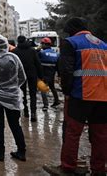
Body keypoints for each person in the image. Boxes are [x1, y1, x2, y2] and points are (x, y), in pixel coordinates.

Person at [43, 18, 107, 176]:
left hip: (80, 95)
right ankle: (99, 170)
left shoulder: (70, 43)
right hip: (103, 96)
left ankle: (68, 167)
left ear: (72, 29)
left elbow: (66, 71)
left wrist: (67, 92)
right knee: (100, 135)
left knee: (73, 133)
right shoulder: (103, 44)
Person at [13, 35, 43, 122]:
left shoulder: (14, 51)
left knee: (22, 94)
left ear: (18, 42)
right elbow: (38, 63)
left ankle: (25, 111)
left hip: (20, 76)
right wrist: (41, 76)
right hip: (32, 75)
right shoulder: (32, 50)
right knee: (33, 94)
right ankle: (33, 113)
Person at [39, 37, 60, 111]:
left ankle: (45, 105)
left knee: (43, 89)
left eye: (42, 44)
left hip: (44, 74)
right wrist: (59, 75)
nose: (41, 45)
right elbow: (58, 65)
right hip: (52, 73)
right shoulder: (56, 54)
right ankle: (56, 101)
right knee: (52, 87)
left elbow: (37, 63)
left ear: (45, 44)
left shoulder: (41, 53)